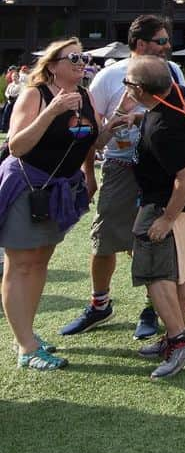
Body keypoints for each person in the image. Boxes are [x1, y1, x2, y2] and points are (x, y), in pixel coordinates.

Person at [61, 15, 182, 341]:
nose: (167, 46)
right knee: (104, 241)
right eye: (161, 41)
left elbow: (183, 123)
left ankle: (151, 309)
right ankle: (100, 303)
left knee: (154, 242)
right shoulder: (109, 77)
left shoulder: (174, 73)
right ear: (140, 44)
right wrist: (89, 172)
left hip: (160, 170)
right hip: (119, 166)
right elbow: (90, 134)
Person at [0, 40, 108, 370]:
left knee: (40, 259)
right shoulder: (35, 94)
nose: (82, 62)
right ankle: (26, 347)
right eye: (73, 57)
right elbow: (17, 145)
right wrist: (53, 110)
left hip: (57, 189)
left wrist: (110, 129)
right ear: (52, 64)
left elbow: (86, 142)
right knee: (20, 263)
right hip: (26, 185)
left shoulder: (86, 96)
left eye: (84, 57)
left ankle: (27, 335)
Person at [124, 56, 185, 379]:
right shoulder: (178, 92)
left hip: (172, 204)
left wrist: (166, 218)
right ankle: (176, 336)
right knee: (184, 272)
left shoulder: (162, 128)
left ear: (139, 88)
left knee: (154, 271)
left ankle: (180, 340)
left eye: (128, 83)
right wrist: (141, 120)